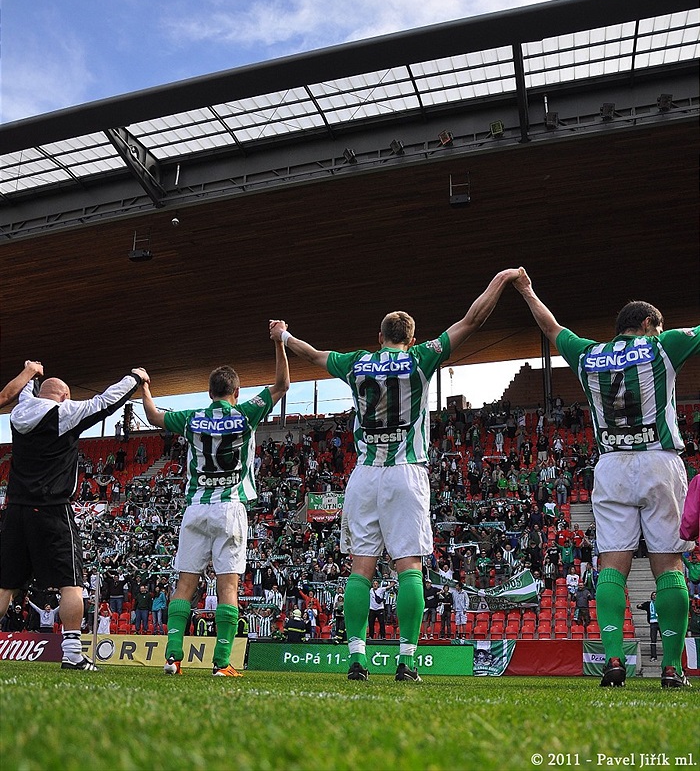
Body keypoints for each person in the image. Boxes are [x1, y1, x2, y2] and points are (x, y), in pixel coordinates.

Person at [271, 269, 521, 681]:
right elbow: (472, 321)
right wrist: (502, 280)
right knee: (409, 569)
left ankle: (356, 659)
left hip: (364, 474)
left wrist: (282, 335)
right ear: (411, 336)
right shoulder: (421, 358)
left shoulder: (357, 362)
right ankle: (406, 661)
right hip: (406, 472)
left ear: (380, 334)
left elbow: (312, 354)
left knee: (359, 570)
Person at [514, 268, 698, 688]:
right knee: (668, 563)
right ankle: (671, 667)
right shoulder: (662, 345)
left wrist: (526, 290)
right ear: (649, 324)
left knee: (612, 562)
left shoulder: (588, 354)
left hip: (611, 466)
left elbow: (551, 327)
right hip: (659, 459)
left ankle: (614, 661)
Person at [142, 333, 289, 677]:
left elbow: (152, 416)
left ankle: (173, 658)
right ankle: (222, 662)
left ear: (209, 393)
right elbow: (282, 384)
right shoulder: (245, 414)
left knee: (185, 584)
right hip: (230, 507)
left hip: (195, 508)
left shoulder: (192, 417)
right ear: (235, 392)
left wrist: (146, 386)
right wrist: (279, 341)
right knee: (228, 586)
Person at [0, 366, 148, 670]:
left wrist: (31, 374)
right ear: (65, 396)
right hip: (52, 508)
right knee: (71, 583)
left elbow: (25, 392)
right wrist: (134, 377)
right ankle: (71, 654)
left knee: (5, 585)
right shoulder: (65, 413)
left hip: (15, 509)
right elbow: (107, 401)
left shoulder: (20, 413)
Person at [636, 591, 660, 662]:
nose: (654, 596)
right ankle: (653, 656)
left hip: (661, 623)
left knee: (665, 640)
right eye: (653, 595)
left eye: (655, 595)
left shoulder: (661, 603)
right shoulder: (649, 604)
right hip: (653, 624)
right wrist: (639, 606)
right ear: (651, 596)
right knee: (653, 641)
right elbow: (640, 606)